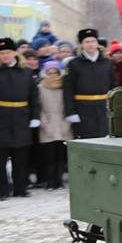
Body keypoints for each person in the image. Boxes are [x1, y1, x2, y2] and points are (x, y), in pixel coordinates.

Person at [0, 38, 40, 200]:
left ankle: (20, 188)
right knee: (0, 158)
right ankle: (3, 190)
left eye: (8, 52)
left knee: (21, 156)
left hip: (21, 118)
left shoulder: (25, 72)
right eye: (2, 53)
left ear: (15, 53)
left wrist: (35, 116)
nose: (5, 56)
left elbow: (34, 97)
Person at [63, 28, 114, 139]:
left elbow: (113, 86)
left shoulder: (107, 63)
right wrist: (71, 112)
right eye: (87, 42)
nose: (90, 44)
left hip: (103, 108)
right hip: (83, 109)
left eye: (93, 41)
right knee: (87, 139)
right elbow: (68, 89)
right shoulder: (74, 64)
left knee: (105, 138)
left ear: (97, 43)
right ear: (81, 45)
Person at [37, 61, 71, 189]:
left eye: (55, 72)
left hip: (63, 123)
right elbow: (38, 107)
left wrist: (67, 122)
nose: (52, 75)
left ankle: (59, 180)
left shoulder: (65, 87)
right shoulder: (40, 88)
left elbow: (69, 105)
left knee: (61, 156)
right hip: (47, 123)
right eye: (49, 72)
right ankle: (50, 181)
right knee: (49, 156)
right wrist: (44, 123)